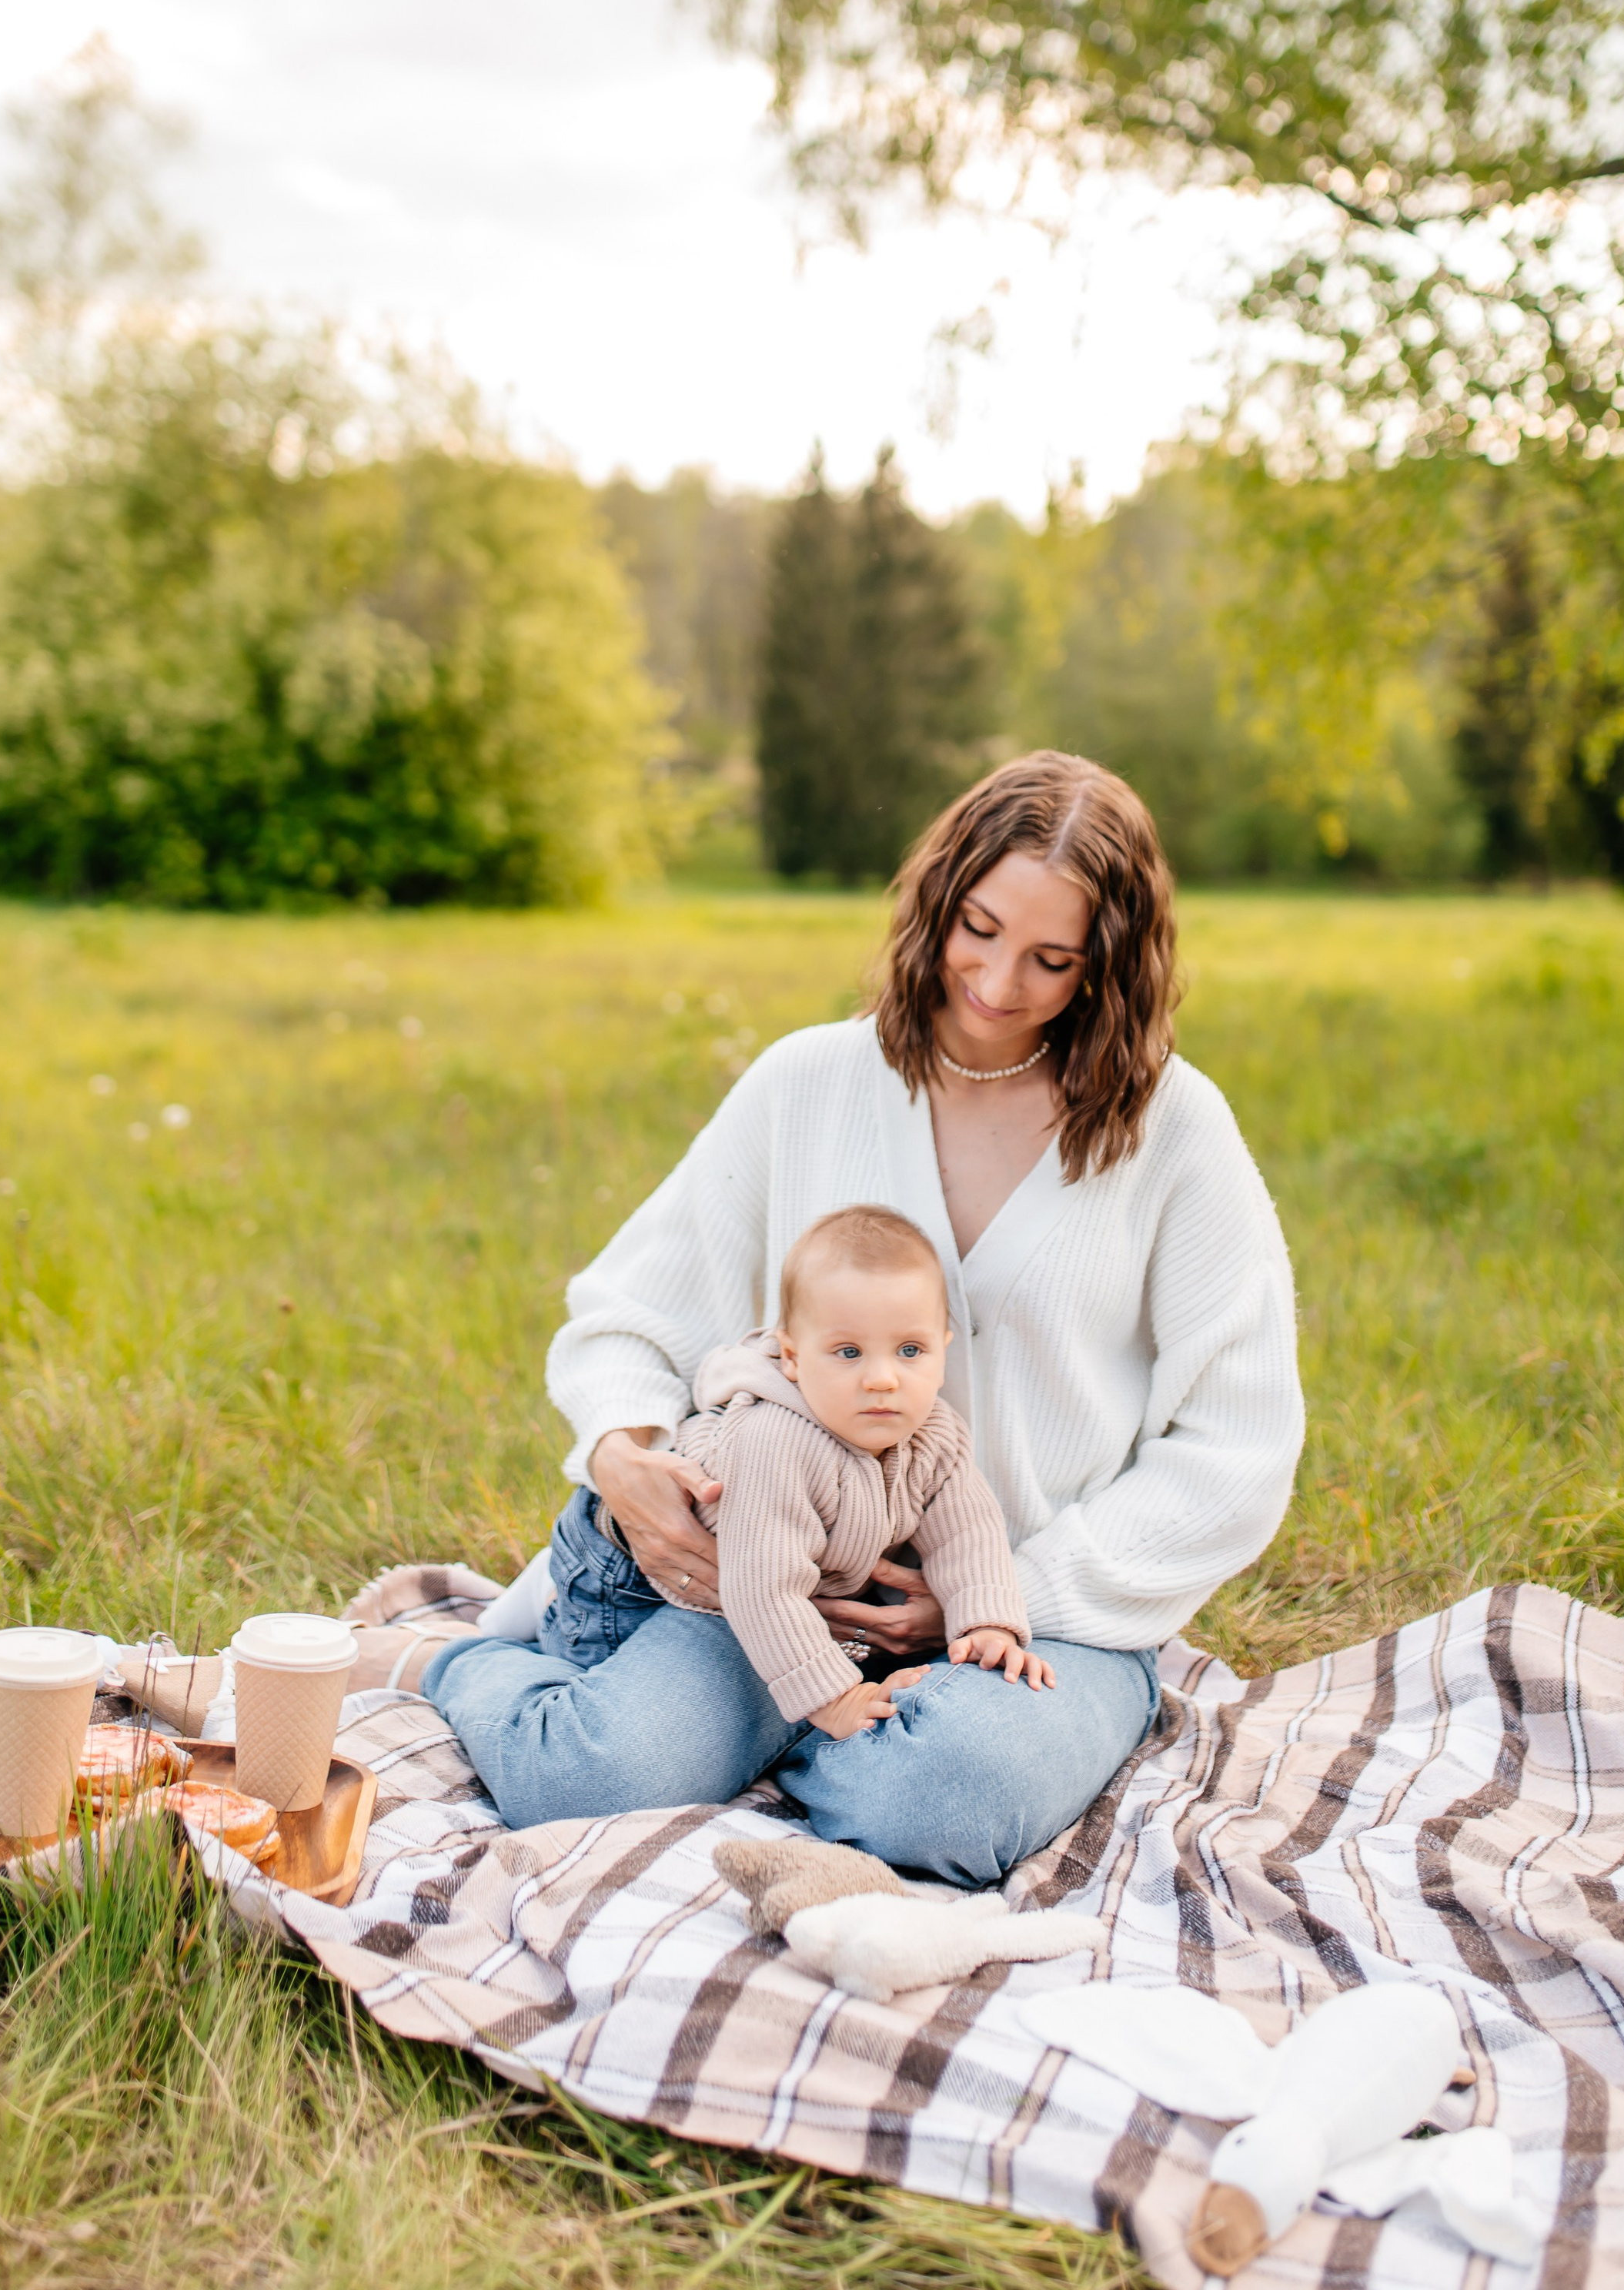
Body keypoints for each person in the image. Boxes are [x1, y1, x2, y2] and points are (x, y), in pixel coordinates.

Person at [423, 749, 1305, 1886]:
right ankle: (477, 1674)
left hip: (1034, 1621)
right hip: (772, 1588)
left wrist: (999, 1597)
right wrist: (620, 1453)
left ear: (1110, 967)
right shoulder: (810, 1082)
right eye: (977, 928)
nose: (995, 981)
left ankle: (801, 1748)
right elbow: (628, 1313)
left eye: (1052, 958)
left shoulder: (1173, 1133)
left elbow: (1238, 1452)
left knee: (941, 1799)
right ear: (939, 896)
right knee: (578, 1782)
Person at [542, 1201, 1054, 1737]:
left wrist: (988, 1624)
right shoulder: (774, 1442)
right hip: (629, 1574)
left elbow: (968, 1534)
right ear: (791, 1356)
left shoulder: (935, 1435)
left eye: (909, 1350)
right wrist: (835, 1698)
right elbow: (767, 1588)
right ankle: (484, 1657)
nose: (883, 1379)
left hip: (742, 1590)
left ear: (942, 1351)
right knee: (591, 1699)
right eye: (849, 1352)